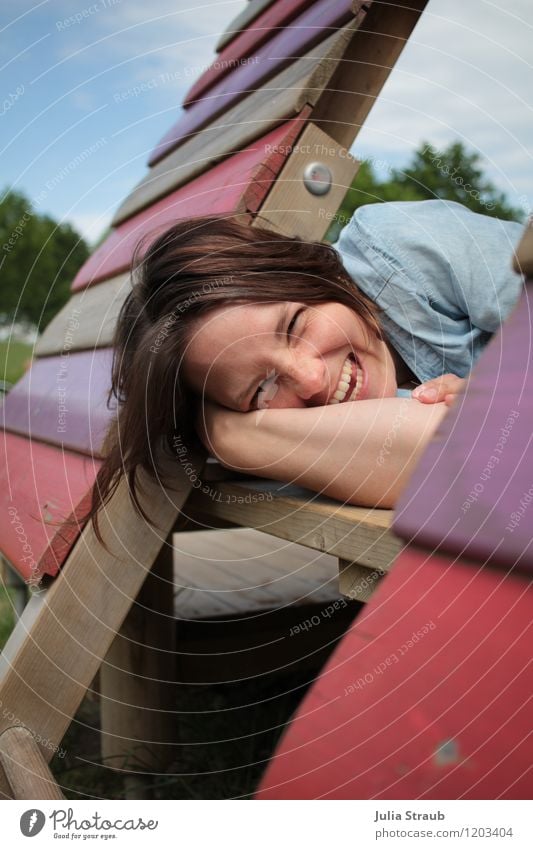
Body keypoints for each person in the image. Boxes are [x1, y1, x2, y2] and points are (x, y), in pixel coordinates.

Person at [84, 200, 524, 543]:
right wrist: (230, 436)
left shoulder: (400, 248)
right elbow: (467, 465)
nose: (311, 379)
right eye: (262, 387)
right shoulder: (273, 443)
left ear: (314, 276)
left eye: (295, 325)